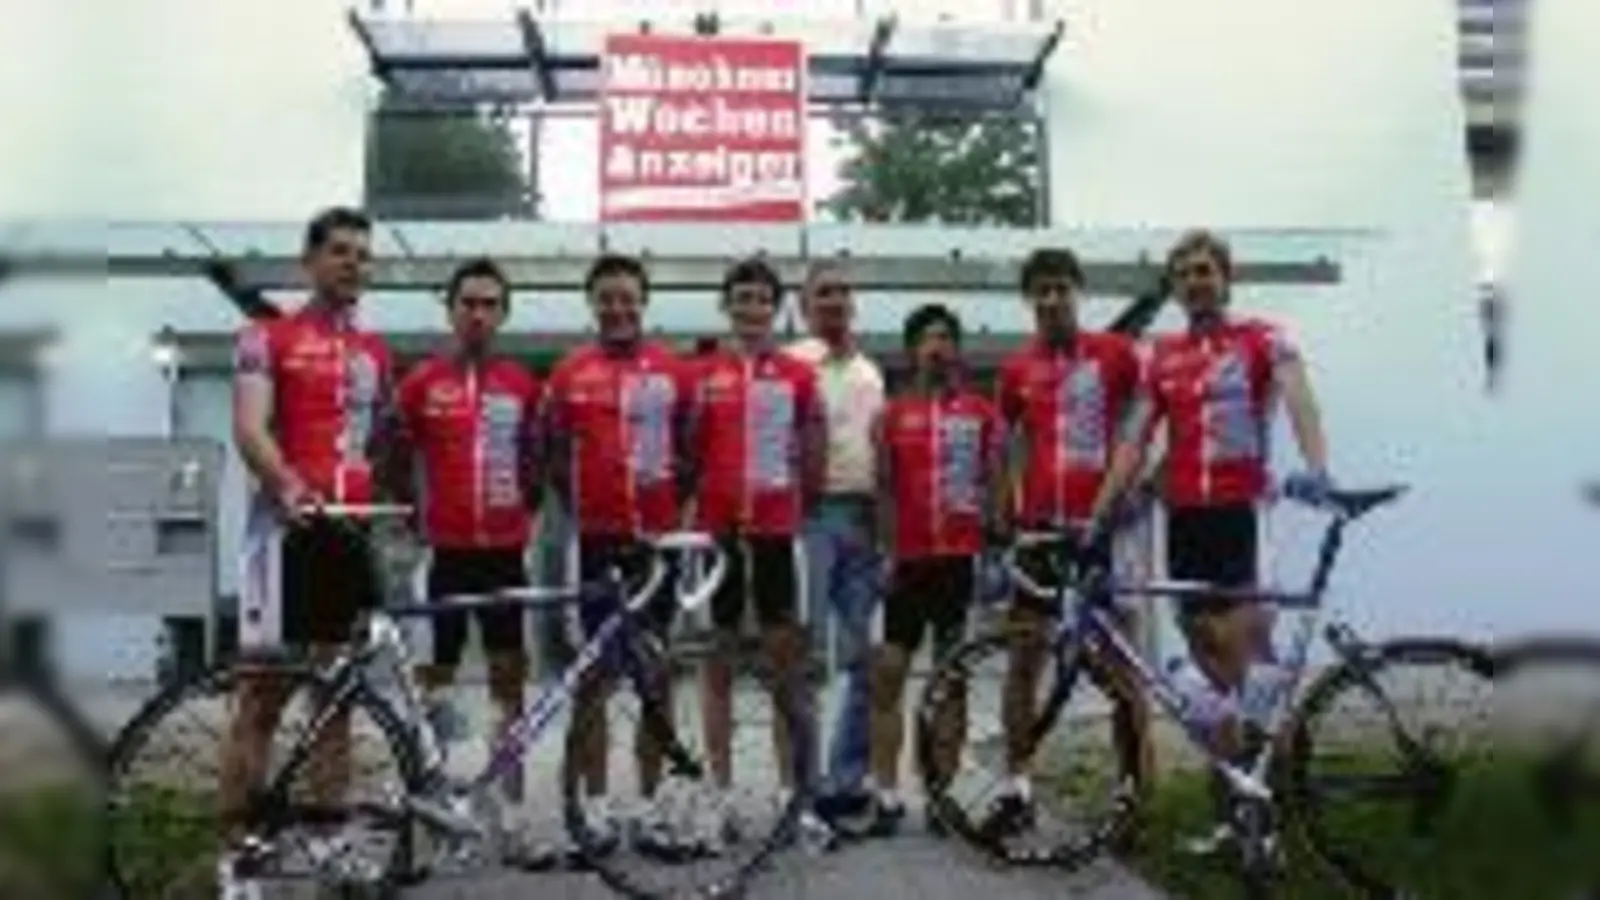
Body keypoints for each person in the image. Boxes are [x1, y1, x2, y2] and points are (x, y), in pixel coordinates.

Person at [1087, 229, 1332, 854]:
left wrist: (1317, 464)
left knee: (1246, 664)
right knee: (1210, 678)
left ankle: (1269, 816)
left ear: (1226, 278)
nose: (1196, 281)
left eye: (1205, 269)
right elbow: (1135, 440)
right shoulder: (1161, 355)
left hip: (1240, 512)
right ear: (1173, 287)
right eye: (1184, 273)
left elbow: (1301, 399)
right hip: (1186, 521)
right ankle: (1235, 813)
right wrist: (1099, 511)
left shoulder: (1262, 338)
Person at [220, 207, 393, 899]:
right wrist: (290, 487)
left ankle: (327, 843)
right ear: (310, 261)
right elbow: (248, 427)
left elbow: (375, 443)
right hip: (284, 533)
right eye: (341, 251)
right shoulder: (266, 336)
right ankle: (237, 858)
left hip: (349, 534)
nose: (354, 263)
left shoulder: (376, 352)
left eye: (362, 254)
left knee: (337, 698)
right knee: (260, 698)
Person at [989, 247, 1154, 836]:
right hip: (1040, 531)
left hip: (1103, 529)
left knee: (1120, 666)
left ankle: (1134, 795)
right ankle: (1017, 788)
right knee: (1023, 659)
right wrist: (1007, 505)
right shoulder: (1016, 368)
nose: (1052, 298)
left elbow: (1145, 422)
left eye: (1061, 287)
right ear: (1028, 298)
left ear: (1078, 290)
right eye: (1041, 289)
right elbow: (1008, 442)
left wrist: (1138, 488)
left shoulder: (1115, 353)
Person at [544, 252, 693, 858]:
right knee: (593, 682)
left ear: (643, 302)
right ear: (592, 304)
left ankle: (653, 811)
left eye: (627, 297)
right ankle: (596, 810)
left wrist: (668, 513)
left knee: (656, 678)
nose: (618, 307)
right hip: (597, 543)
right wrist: (584, 508)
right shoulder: (568, 372)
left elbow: (690, 454)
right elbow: (551, 455)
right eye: (606, 297)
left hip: (656, 547)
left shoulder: (673, 371)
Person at [383, 257, 542, 803]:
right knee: (434, 683)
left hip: (504, 554)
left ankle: (512, 812)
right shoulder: (422, 380)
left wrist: (527, 512)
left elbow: (534, 460)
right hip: (444, 555)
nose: (478, 314)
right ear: (450, 310)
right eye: (468, 303)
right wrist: (408, 512)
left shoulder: (521, 382)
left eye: (489, 304)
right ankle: (430, 804)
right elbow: (388, 451)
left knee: (510, 683)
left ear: (504, 314)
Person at [686, 257, 832, 846]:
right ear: (727, 306)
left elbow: (814, 453)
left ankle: (792, 796)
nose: (751, 309)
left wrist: (801, 509)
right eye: (741, 298)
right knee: (716, 664)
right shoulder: (703, 373)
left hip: (776, 534)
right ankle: (718, 796)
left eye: (761, 300)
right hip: (719, 537)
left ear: (777, 309)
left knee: (786, 669)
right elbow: (690, 453)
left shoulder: (798, 376)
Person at [865, 304, 1004, 836]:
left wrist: (995, 547)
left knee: (953, 682)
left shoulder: (981, 412)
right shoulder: (892, 414)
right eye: (927, 338)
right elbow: (882, 491)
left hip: (960, 564)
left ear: (957, 350)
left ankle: (942, 797)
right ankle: (886, 795)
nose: (937, 346)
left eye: (946, 337)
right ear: (911, 350)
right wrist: (885, 553)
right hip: (907, 565)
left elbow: (995, 486)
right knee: (889, 676)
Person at [783, 260, 886, 820]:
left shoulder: (871, 372)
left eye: (844, 291)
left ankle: (847, 777)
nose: (835, 300)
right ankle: (806, 782)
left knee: (867, 656)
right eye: (823, 292)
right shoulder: (792, 364)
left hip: (865, 519)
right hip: (811, 520)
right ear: (803, 304)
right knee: (807, 659)